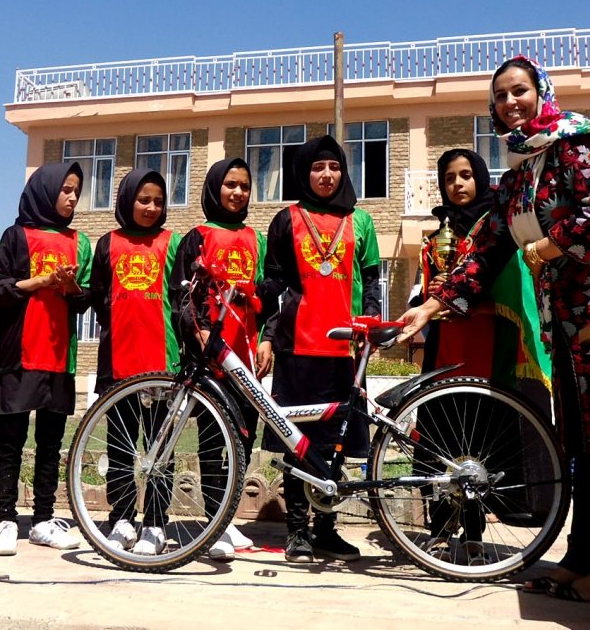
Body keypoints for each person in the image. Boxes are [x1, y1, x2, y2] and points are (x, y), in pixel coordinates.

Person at [398, 56, 590, 603]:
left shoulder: (576, 143)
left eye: (519, 91)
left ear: (541, 91)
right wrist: (430, 307)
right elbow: (487, 251)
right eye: (500, 97)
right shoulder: (520, 174)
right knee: (582, 441)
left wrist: (544, 247)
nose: (510, 102)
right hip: (566, 323)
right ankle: (582, 557)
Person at [409, 148, 551, 561]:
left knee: (480, 445)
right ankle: (438, 527)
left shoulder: (500, 229)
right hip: (444, 351)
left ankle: (473, 532)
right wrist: (430, 295)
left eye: (467, 174)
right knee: (440, 440)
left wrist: (463, 301)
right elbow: (430, 288)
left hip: (487, 350)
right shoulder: (438, 235)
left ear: (481, 178)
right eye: (450, 177)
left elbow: (508, 290)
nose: (458, 184)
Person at [257, 135, 381, 564]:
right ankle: (297, 531)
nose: (326, 175)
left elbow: (372, 284)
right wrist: (266, 333)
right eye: (317, 168)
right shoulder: (286, 219)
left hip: (344, 348)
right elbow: (275, 286)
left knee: (336, 444)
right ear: (303, 173)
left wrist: (371, 326)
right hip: (297, 346)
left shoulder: (360, 221)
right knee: (298, 441)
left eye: (333, 167)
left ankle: (327, 529)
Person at [0, 163, 91, 556]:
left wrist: (69, 286)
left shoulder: (79, 241)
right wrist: (42, 282)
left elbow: (84, 302)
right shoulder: (17, 236)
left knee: (51, 442)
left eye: (76, 192)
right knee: (11, 440)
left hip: (59, 356)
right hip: (19, 353)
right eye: (65, 189)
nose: (71, 197)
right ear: (45, 191)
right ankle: (6, 519)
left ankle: (43, 520)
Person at [169, 157, 270, 561]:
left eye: (244, 186)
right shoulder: (196, 236)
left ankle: (228, 517)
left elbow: (268, 299)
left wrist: (268, 342)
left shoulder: (255, 238)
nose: (237, 193)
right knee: (214, 439)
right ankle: (215, 523)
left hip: (248, 355)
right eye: (230, 184)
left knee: (245, 437)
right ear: (214, 187)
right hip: (212, 358)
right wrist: (202, 335)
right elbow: (184, 297)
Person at [89, 169, 181, 556]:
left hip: (164, 361)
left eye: (158, 201)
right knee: (122, 445)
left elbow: (181, 300)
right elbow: (97, 297)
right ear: (127, 199)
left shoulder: (172, 242)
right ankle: (122, 518)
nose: (151, 207)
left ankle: (157, 524)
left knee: (161, 448)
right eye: (143, 199)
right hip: (120, 362)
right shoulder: (108, 243)